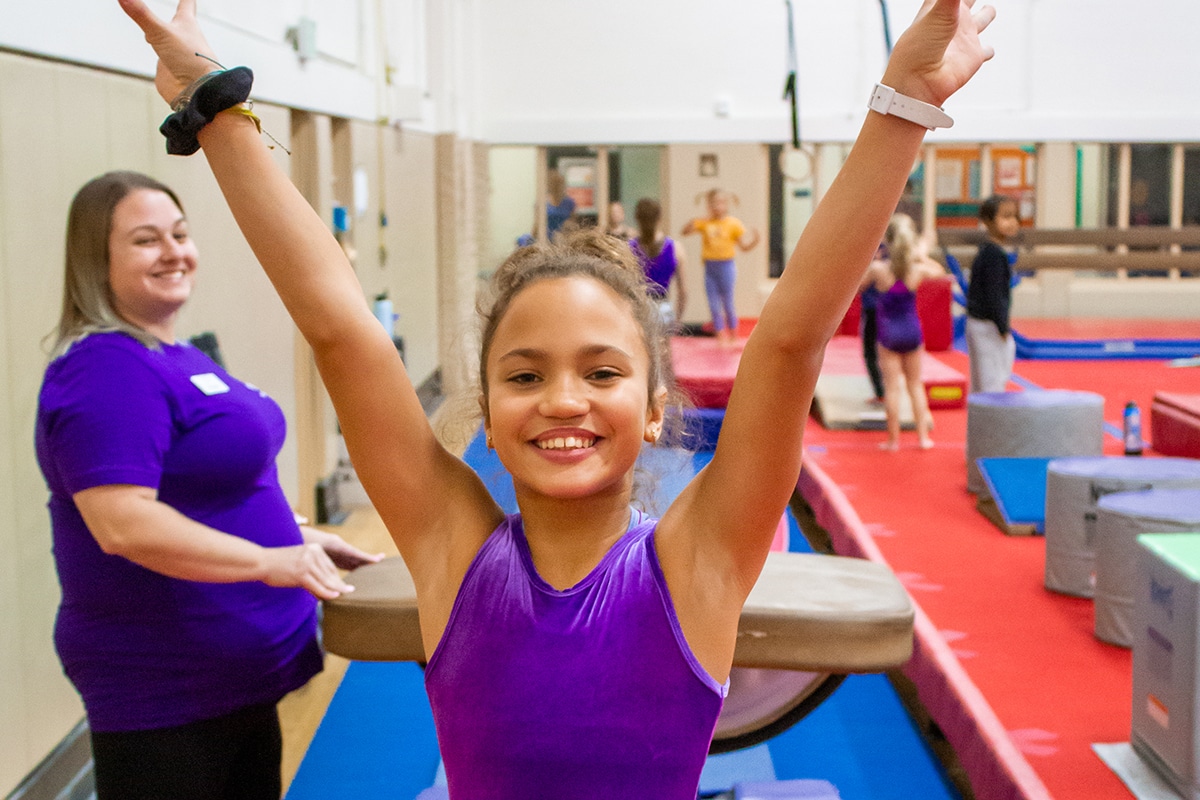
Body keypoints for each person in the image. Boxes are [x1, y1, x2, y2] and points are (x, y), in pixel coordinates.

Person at [115, 0, 994, 796]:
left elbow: (791, 342)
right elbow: (342, 329)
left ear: (655, 409)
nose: (563, 400)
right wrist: (212, 103)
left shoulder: (696, 563)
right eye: (525, 376)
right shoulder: (449, 547)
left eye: (603, 373)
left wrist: (904, 103)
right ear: (488, 416)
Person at [34, 170, 382, 800]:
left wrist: (302, 537)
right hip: (169, 688)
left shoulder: (173, 356)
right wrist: (271, 560)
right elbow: (124, 524)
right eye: (146, 240)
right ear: (95, 260)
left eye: (181, 233)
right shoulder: (103, 369)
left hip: (237, 679)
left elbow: (207, 488)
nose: (174, 252)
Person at [863, 214, 945, 450]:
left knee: (892, 387)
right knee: (915, 385)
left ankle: (893, 440)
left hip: (888, 333)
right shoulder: (916, 270)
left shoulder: (879, 270)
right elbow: (938, 271)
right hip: (911, 332)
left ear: (887, 241)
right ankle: (923, 438)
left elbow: (858, 286)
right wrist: (921, 255)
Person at [681, 188, 761, 345]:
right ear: (709, 205)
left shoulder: (733, 223)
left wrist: (755, 241)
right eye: (714, 203)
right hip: (710, 267)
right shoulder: (705, 223)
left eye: (721, 202)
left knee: (728, 302)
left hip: (726, 266)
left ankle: (733, 335)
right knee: (713, 303)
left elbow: (743, 247)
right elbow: (684, 231)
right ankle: (720, 337)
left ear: (726, 204)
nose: (718, 206)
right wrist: (698, 219)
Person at [966, 193, 1020, 393]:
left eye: (1014, 217)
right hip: (987, 325)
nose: (1012, 222)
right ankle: (990, 422)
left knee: (982, 384)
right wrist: (1002, 326)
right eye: (1005, 217)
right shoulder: (993, 255)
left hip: (981, 322)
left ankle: (981, 421)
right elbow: (994, 295)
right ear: (988, 221)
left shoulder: (989, 251)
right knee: (992, 383)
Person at [629, 198, 687, 327]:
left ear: (637, 218)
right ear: (660, 218)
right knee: (663, 346)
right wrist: (678, 319)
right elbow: (683, 291)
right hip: (663, 307)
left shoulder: (628, 249)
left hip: (638, 308)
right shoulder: (675, 248)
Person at [859, 241, 888, 404]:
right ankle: (883, 391)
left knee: (871, 352)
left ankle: (881, 392)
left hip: (874, 310)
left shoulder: (873, 251)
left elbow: (861, 285)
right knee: (882, 352)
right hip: (887, 310)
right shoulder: (888, 251)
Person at [545, 168, 576, 239]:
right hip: (546, 238)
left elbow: (574, 222)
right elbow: (537, 225)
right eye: (554, 184)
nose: (556, 187)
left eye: (559, 184)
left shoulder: (569, 202)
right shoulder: (543, 202)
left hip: (564, 238)